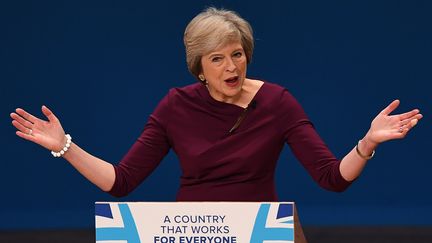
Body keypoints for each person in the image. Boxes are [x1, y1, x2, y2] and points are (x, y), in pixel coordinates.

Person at [10, 7, 421, 239]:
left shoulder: (277, 102)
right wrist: (64, 145)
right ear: (199, 68)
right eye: (218, 58)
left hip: (262, 231)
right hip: (193, 232)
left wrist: (368, 142)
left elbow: (332, 177)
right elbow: (120, 182)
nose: (232, 66)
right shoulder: (176, 106)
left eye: (237, 54)